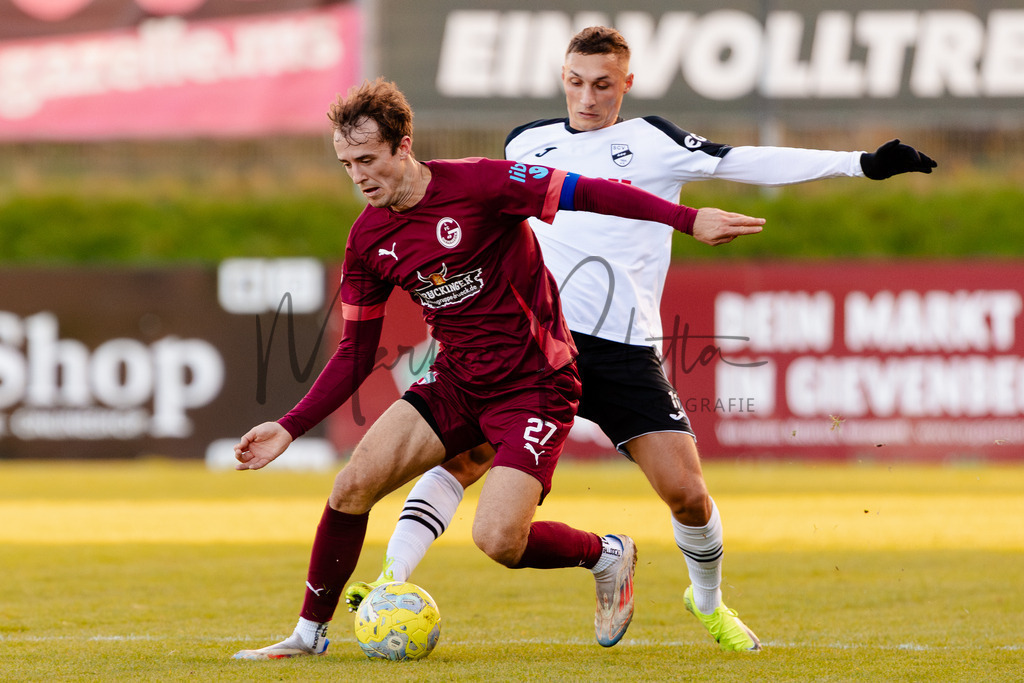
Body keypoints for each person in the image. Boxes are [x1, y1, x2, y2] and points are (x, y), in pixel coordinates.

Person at [343, 26, 937, 653]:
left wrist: (860, 164)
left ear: (627, 83)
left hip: (622, 347)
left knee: (685, 492)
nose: (588, 98)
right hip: (535, 347)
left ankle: (707, 602)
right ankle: (389, 582)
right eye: (575, 82)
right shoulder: (529, 142)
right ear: (562, 79)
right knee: (462, 460)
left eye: (603, 85)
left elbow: (745, 160)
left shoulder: (651, 141)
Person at [231, 76, 766, 660]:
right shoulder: (367, 240)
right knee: (352, 485)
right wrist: (290, 426)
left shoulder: (483, 183)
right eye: (345, 164)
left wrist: (686, 220)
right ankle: (308, 635)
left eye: (367, 159)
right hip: (456, 380)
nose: (358, 176)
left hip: (537, 384)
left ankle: (606, 553)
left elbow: (591, 193)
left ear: (403, 146)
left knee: (498, 540)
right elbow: (356, 351)